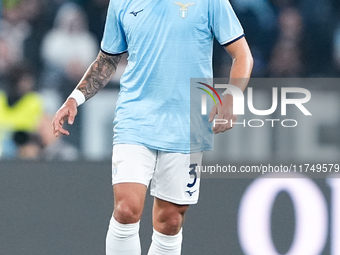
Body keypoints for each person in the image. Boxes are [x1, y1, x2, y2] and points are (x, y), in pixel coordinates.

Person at [52, 0, 253, 254]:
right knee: (126, 209)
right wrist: (75, 98)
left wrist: (232, 96)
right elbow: (108, 59)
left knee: (170, 221)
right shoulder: (122, 2)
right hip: (135, 117)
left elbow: (242, 54)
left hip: (188, 124)